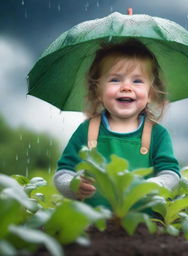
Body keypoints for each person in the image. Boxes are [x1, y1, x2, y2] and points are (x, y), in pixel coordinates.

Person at [54, 39, 180, 205]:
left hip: (143, 225)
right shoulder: (87, 131)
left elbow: (171, 174)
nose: (126, 87)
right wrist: (72, 185)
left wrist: (155, 185)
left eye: (137, 81)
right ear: (98, 91)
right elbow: (63, 172)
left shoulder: (157, 134)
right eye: (115, 79)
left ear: (150, 93)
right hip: (94, 225)